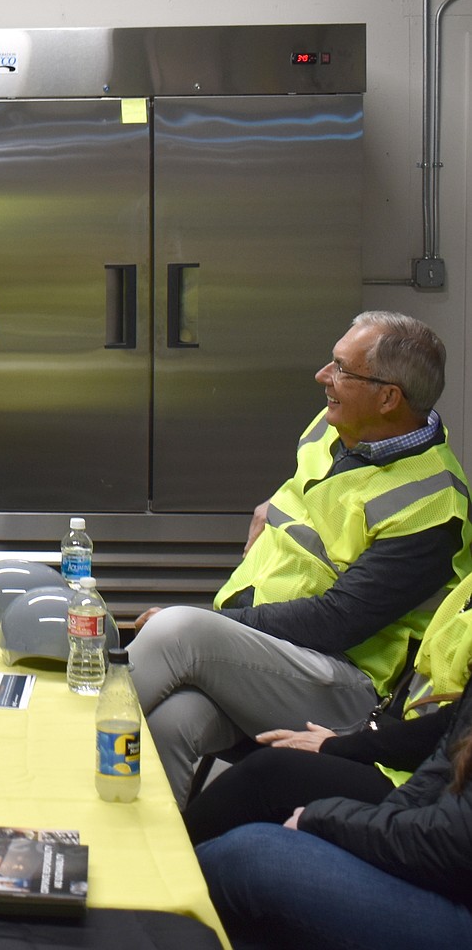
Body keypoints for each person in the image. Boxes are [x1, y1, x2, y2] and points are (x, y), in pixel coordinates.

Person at [127, 311, 472, 804]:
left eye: (341, 370)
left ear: (388, 397)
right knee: (174, 722)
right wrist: (268, 507)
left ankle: (50, 759)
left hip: (346, 686)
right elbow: (311, 499)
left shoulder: (434, 508)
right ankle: (147, 863)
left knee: (177, 632)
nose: (323, 377)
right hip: (276, 658)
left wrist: (225, 624)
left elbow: (336, 622)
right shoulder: (341, 426)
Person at [184, 569, 472, 844]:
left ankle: (173, 870)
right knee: (180, 714)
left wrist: (340, 746)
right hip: (408, 752)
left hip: (435, 785)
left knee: (270, 773)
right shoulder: (466, 587)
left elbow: (452, 723)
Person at [196, 674, 472, 950]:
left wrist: (322, 819)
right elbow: (439, 766)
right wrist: (369, 826)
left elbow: (449, 840)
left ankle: (165, 879)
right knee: (182, 713)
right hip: (441, 857)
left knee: (251, 853)